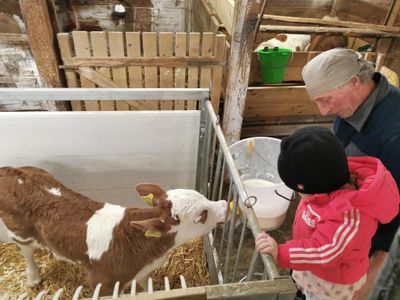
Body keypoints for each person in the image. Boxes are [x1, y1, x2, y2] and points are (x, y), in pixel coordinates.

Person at [255, 126, 399, 300]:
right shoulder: (327, 182)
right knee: (303, 289)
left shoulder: (348, 216)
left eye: (297, 190)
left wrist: (281, 253)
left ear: (312, 188)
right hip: (311, 265)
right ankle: (302, 292)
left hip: (330, 284)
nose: (297, 195)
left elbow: (324, 251)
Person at [301, 47, 400, 298]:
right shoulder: (350, 105)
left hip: (370, 235)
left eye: (326, 100)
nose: (323, 111)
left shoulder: (394, 134)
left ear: (355, 81)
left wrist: (378, 261)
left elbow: (394, 211)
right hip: (346, 212)